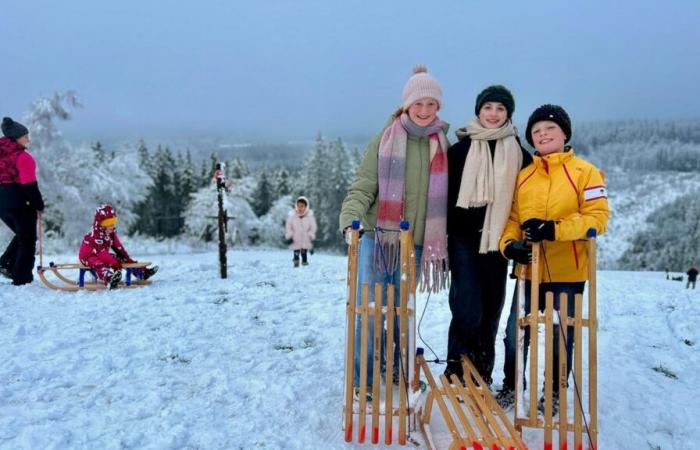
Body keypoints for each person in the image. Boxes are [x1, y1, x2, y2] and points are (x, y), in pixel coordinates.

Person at [339, 65, 450, 401]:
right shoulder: (386, 138)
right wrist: (350, 219)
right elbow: (364, 185)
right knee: (371, 311)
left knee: (403, 313)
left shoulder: (443, 142)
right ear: (406, 104)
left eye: (431, 104)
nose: (425, 110)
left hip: (415, 243)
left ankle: (400, 370)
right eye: (419, 103)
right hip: (378, 237)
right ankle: (365, 380)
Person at [496, 104, 609, 414]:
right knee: (514, 333)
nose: (543, 134)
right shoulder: (524, 176)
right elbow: (513, 218)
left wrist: (553, 230)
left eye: (549, 129)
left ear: (564, 134)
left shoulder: (585, 172)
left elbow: (597, 219)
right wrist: (510, 245)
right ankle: (511, 385)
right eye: (536, 131)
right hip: (528, 270)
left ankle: (555, 391)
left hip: (568, 271)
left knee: (562, 334)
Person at [444, 85, 533, 386]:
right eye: (488, 108)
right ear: (478, 111)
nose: (493, 114)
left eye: (500, 109)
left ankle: (481, 374)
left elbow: (526, 200)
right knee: (467, 308)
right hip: (463, 240)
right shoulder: (458, 152)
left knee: (491, 311)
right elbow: (444, 199)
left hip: (499, 243)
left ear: (508, 114)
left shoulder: (520, 155)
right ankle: (457, 371)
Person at [0, 117, 44, 286]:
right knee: (28, 240)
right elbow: (29, 185)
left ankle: (6, 263)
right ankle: (21, 277)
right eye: (25, 136)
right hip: (19, 203)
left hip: (2, 205)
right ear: (16, 137)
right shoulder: (23, 157)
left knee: (23, 235)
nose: (28, 139)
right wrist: (38, 204)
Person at [79, 204, 158, 289]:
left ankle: (142, 273)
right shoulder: (96, 235)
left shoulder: (111, 233)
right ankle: (109, 278)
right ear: (100, 224)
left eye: (113, 221)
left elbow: (119, 248)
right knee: (99, 264)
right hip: (88, 256)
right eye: (108, 223)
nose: (112, 225)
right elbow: (101, 253)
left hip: (102, 254)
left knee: (120, 258)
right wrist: (114, 264)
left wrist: (127, 259)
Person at [284, 196, 317, 267]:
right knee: (296, 249)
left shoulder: (310, 217)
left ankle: (304, 261)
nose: (300, 208)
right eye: (298, 206)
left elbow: (313, 227)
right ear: (296, 206)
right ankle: (296, 261)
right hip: (295, 237)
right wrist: (290, 234)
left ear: (306, 207)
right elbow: (288, 226)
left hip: (306, 237)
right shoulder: (292, 217)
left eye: (302, 206)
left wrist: (311, 234)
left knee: (304, 250)